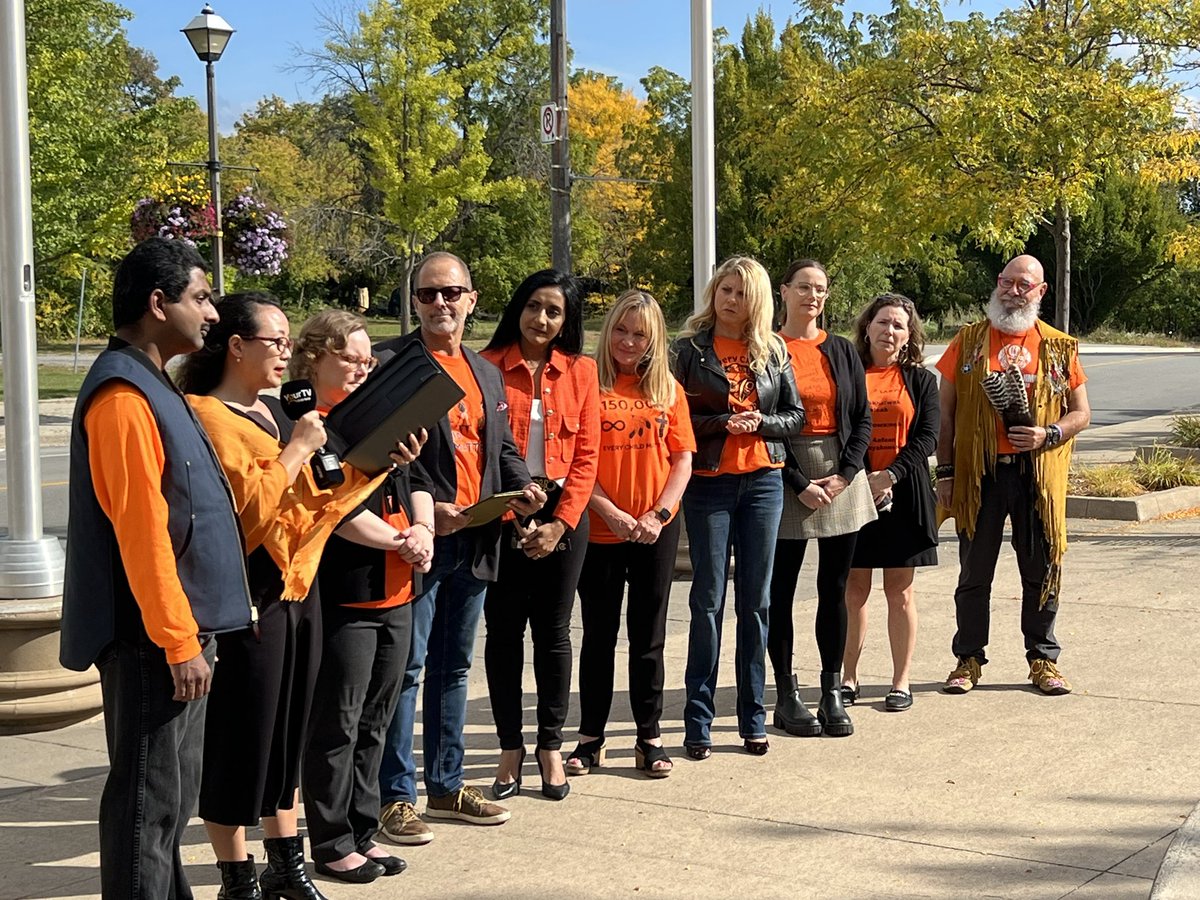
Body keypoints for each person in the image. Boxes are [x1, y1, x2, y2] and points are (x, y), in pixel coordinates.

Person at [177, 293, 388, 899]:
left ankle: (286, 868)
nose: (285, 352)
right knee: (242, 741)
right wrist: (297, 449)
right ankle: (236, 879)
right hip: (249, 596)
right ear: (236, 346)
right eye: (273, 341)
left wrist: (376, 468)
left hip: (298, 590)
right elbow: (243, 520)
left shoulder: (274, 412)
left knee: (287, 735)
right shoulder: (207, 417)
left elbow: (312, 507)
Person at [60, 238, 253, 900]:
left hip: (179, 637)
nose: (211, 313)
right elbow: (142, 535)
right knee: (147, 808)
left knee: (168, 805)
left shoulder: (152, 383)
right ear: (157, 302)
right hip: (153, 645)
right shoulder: (122, 396)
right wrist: (177, 642)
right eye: (201, 297)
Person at [376, 251, 546, 841]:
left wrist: (524, 485)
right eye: (427, 295)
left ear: (472, 299)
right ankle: (395, 796)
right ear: (414, 301)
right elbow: (380, 457)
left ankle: (446, 786)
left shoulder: (486, 372)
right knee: (408, 670)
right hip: (417, 541)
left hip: (476, 538)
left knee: (453, 669)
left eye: (451, 293)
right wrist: (428, 513)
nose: (440, 304)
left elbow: (500, 447)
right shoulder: (390, 363)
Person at [297, 310, 434, 884]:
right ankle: (330, 842)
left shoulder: (378, 412)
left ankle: (362, 831)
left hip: (399, 588)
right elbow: (337, 513)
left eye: (365, 358)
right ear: (314, 358)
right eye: (347, 358)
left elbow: (422, 481)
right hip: (348, 592)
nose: (360, 367)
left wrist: (423, 530)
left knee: (377, 719)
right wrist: (401, 540)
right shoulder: (307, 424)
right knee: (338, 723)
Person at [935, 254, 1091, 695]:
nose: (1013, 291)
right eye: (1007, 281)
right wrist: (945, 473)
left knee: (1041, 570)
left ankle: (1043, 659)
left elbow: (1082, 413)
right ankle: (968, 658)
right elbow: (946, 417)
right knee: (973, 572)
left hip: (1036, 476)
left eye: (1024, 285)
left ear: (1041, 291)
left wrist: (1049, 433)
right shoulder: (966, 343)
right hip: (979, 476)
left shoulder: (1060, 347)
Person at [671, 256, 805, 759]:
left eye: (742, 293)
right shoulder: (688, 350)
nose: (731, 300)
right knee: (707, 602)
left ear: (759, 300)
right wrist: (722, 423)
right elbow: (676, 416)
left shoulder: (773, 351)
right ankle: (697, 722)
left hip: (764, 484)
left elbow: (794, 417)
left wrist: (761, 424)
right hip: (709, 484)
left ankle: (753, 719)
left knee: (757, 603)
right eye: (725, 290)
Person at [480, 270, 600, 801]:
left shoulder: (581, 371)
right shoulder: (484, 367)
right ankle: (510, 747)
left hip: (562, 512)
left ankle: (550, 744)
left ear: (567, 321)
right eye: (534, 307)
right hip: (502, 506)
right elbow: (482, 449)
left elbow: (587, 456)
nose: (542, 319)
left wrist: (559, 523)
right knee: (503, 634)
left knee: (553, 634)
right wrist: (513, 515)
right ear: (517, 308)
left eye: (555, 311)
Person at [565, 289, 695, 779]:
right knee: (598, 636)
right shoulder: (587, 385)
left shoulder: (668, 390)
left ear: (654, 339)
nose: (627, 340)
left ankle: (649, 737)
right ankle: (589, 739)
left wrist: (657, 515)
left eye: (639, 333)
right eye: (620, 329)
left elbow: (682, 458)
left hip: (655, 529)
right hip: (599, 529)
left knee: (648, 637)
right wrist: (612, 512)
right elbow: (579, 461)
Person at [769, 259, 877, 738]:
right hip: (783, 470)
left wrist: (843, 476)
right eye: (805, 288)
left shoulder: (841, 349)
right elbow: (761, 421)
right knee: (782, 591)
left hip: (840, 470)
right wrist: (798, 482)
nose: (813, 296)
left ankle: (831, 688)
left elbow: (862, 417)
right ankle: (786, 693)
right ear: (784, 291)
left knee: (835, 588)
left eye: (822, 290)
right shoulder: (767, 348)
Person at [842, 294, 939, 712]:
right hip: (854, 491)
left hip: (905, 495)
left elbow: (928, 437)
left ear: (909, 335)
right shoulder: (849, 374)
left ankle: (901, 681)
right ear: (867, 327)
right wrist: (862, 477)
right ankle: (847, 678)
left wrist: (891, 476)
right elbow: (839, 431)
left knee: (899, 592)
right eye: (883, 322)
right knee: (854, 590)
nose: (889, 331)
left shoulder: (921, 380)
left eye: (899, 325)